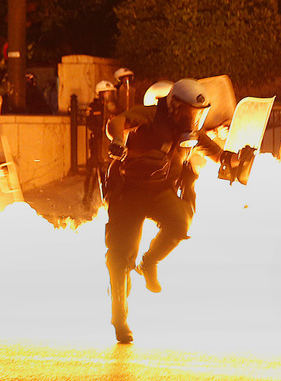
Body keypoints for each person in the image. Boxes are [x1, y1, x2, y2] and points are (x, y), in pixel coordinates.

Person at [102, 78, 252, 344]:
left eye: (197, 114)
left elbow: (217, 154)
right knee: (119, 257)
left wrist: (237, 159)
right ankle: (120, 318)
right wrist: (117, 140)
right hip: (129, 191)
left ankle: (149, 263)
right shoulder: (149, 115)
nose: (192, 119)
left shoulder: (191, 133)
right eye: (188, 113)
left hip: (160, 192)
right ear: (173, 107)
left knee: (180, 222)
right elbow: (117, 123)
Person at [83, 80, 118, 209]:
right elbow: (90, 123)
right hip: (97, 142)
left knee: (108, 171)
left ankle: (107, 199)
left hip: (108, 142)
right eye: (106, 92)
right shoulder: (94, 107)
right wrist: (101, 130)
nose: (108, 95)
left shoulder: (114, 107)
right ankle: (87, 200)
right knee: (93, 170)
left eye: (110, 92)